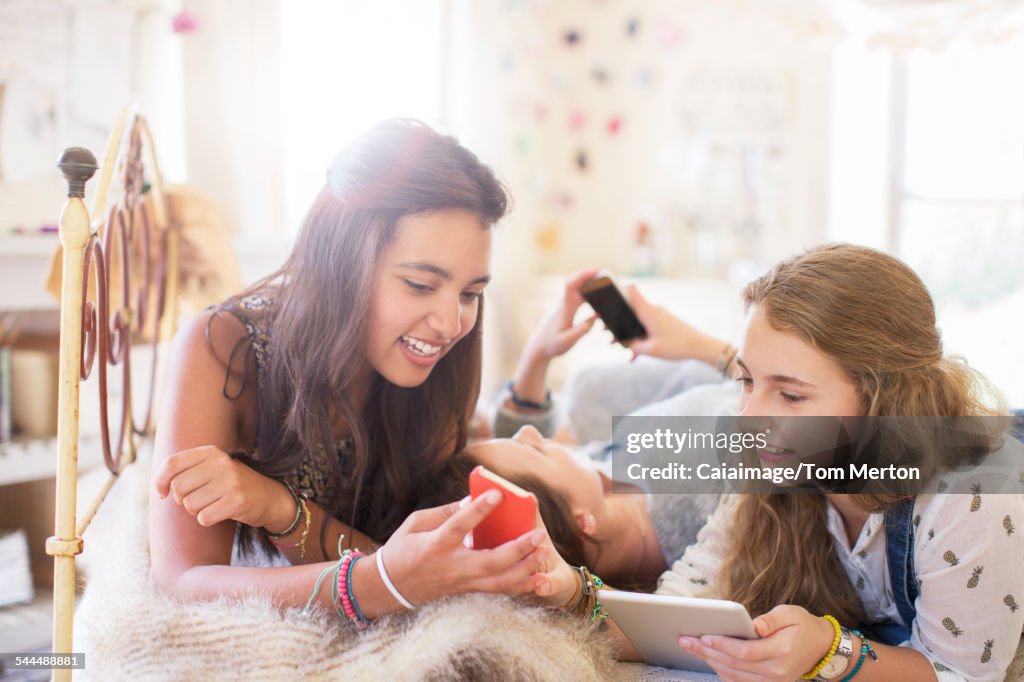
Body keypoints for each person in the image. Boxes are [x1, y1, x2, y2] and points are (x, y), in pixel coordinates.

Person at [526, 243, 1024, 681]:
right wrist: (570, 589)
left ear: (883, 403)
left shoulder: (969, 492)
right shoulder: (769, 465)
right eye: (745, 380)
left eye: (789, 394)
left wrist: (832, 652)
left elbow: (963, 673)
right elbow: (674, 615)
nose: (749, 417)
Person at [149, 119, 551, 623]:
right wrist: (376, 581)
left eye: (470, 294)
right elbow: (183, 579)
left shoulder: (439, 378)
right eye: (420, 285)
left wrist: (281, 509)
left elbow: (400, 559)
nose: (452, 325)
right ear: (340, 265)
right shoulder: (222, 348)